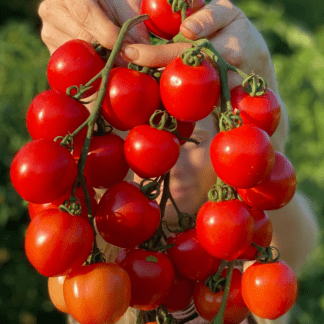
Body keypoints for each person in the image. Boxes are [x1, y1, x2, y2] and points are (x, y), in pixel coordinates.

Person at [38, 1, 319, 323]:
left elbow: (291, 236)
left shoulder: (243, 267)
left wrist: (264, 141)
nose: (171, 164)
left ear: (226, 146)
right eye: (135, 144)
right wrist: (80, 62)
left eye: (192, 140)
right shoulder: (95, 253)